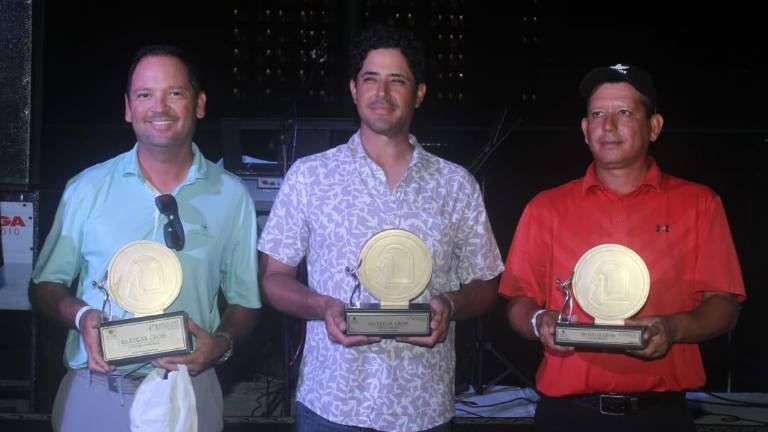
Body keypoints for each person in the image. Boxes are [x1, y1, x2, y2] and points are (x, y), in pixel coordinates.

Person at [258, 25, 504, 431]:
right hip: (331, 404)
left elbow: (486, 283)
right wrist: (321, 306)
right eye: (370, 79)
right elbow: (273, 278)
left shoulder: (456, 183)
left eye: (397, 80)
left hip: (422, 406)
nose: (382, 92)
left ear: (419, 93)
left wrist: (451, 306)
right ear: (354, 89)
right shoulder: (310, 176)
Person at [500, 63, 746, 431]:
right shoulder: (545, 208)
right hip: (565, 416)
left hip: (662, 415)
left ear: (654, 126)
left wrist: (674, 328)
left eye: (625, 113)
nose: (608, 125)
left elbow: (725, 306)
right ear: (585, 130)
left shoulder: (699, 204)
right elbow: (518, 300)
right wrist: (540, 322)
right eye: (597, 114)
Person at [29, 44, 261, 431]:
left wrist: (219, 345)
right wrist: (82, 315)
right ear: (127, 108)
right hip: (97, 390)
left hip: (189, 389)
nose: (159, 107)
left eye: (175, 93)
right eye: (144, 95)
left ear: (199, 104)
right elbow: (43, 287)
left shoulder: (232, 196)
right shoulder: (86, 189)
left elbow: (246, 303)